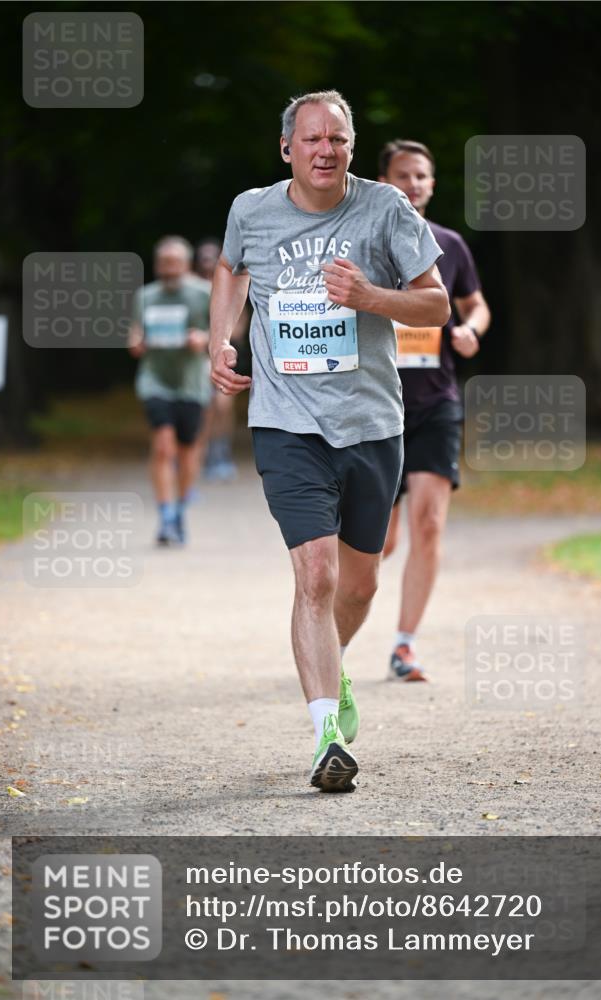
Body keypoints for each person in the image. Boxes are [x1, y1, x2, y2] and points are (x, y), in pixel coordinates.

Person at [209, 91, 450, 791]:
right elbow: (230, 268)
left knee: (359, 581)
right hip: (286, 421)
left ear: (350, 147)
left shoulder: (385, 209)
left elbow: (436, 304)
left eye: (337, 139)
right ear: (287, 148)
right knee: (315, 574)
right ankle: (325, 736)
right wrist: (221, 340)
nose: (325, 150)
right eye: (312, 138)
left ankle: (332, 666)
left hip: (371, 423)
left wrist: (371, 297)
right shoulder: (251, 209)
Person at [378, 139, 491, 680]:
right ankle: (333, 631)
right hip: (376, 406)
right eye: (403, 175)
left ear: (432, 184)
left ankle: (405, 646)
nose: (414, 184)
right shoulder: (366, 242)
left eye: (422, 175)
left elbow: (476, 304)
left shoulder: (449, 244)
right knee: (379, 540)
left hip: (436, 403)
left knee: (428, 525)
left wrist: (471, 330)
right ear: (384, 182)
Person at [128, 236, 211, 545]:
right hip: (154, 379)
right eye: (163, 263)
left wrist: (203, 339)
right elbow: (136, 331)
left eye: (174, 263)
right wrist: (135, 341)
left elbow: (225, 331)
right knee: (163, 447)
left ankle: (179, 510)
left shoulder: (204, 294)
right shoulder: (145, 296)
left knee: (188, 453)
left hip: (191, 383)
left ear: (186, 265)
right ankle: (165, 516)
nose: (169, 269)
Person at [193, 238, 248, 482]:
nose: (207, 261)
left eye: (211, 257)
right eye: (202, 257)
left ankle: (220, 453)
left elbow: (239, 328)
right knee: (203, 408)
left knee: (223, 406)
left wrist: (213, 339)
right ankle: (198, 455)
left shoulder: (230, 286)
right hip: (195, 359)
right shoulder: (191, 289)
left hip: (222, 356)